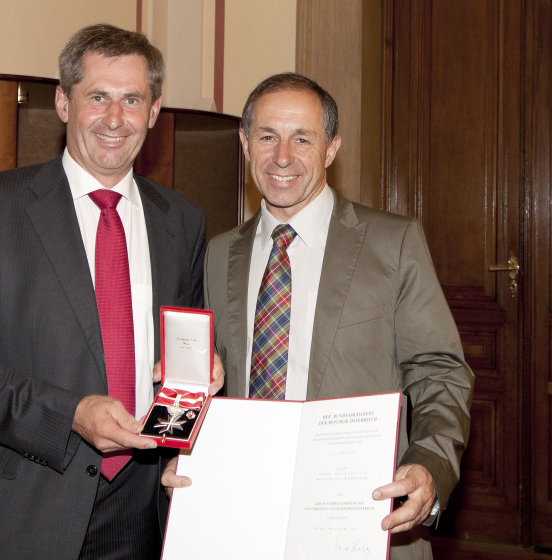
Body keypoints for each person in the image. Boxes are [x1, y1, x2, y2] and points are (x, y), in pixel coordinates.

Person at [0, 23, 222, 560]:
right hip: (20, 508)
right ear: (63, 102)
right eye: (97, 97)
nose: (114, 119)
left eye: (132, 100)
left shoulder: (182, 221)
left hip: (145, 506)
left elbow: (180, 350)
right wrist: (70, 415)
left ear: (153, 112)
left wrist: (203, 372)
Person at [163, 73, 474, 559]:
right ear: (245, 144)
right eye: (267, 137)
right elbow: (206, 376)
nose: (282, 156)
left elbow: (439, 371)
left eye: (302, 139)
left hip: (363, 518)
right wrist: (179, 447)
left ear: (331, 148)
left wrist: (429, 464)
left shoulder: (393, 244)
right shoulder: (220, 253)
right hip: (242, 518)